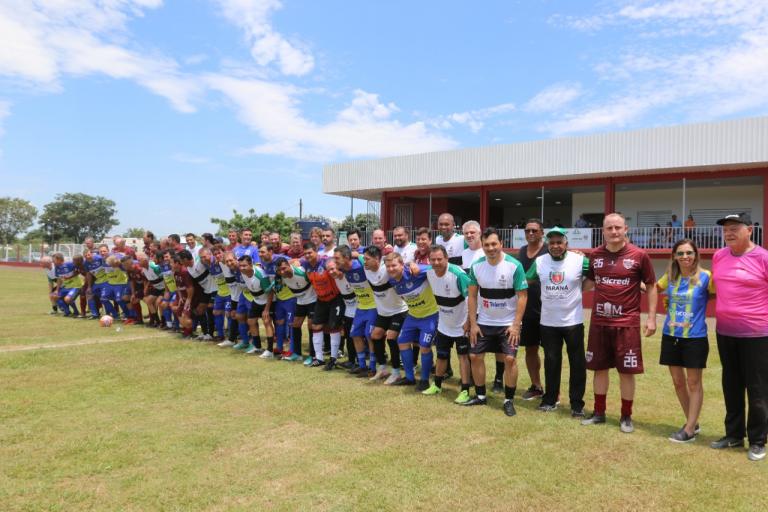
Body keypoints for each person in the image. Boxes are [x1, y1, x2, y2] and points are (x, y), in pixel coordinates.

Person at [581, 213, 657, 434]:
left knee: (626, 372)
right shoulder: (595, 255)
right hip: (599, 322)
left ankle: (626, 416)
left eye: (618, 227)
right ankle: (599, 412)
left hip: (627, 323)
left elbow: (651, 286)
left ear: (626, 229)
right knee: (599, 369)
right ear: (603, 231)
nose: (614, 232)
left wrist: (651, 318)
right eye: (609, 228)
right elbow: (589, 283)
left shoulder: (639, 255)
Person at [711, 213, 768, 461]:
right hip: (725, 332)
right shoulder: (719, 256)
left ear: (750, 230)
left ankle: (758, 440)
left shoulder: (763, 258)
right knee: (731, 384)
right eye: (726, 229)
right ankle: (733, 435)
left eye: (734, 228)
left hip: (757, 334)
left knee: (757, 387)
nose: (729, 233)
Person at [525, 227, 590, 416]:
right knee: (551, 362)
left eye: (559, 242)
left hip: (573, 322)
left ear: (566, 243)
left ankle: (576, 404)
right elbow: (525, 280)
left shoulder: (579, 260)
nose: (555, 246)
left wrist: (582, 288)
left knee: (577, 363)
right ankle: (550, 400)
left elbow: (598, 273)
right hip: (548, 322)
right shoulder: (540, 261)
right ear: (547, 244)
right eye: (552, 243)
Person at [465, 227, 528, 417]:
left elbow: (523, 296)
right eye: (486, 245)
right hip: (484, 321)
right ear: (482, 246)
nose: (491, 248)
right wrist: (473, 323)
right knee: (475, 356)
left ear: (501, 244)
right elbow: (472, 296)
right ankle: (481, 396)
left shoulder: (514, 265)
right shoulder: (476, 266)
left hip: (508, 323)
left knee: (510, 359)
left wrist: (516, 325)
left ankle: (508, 400)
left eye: (494, 244)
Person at [656, 239, 713, 443]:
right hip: (671, 335)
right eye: (680, 253)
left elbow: (720, 295)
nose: (685, 257)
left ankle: (688, 430)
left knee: (693, 382)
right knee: (678, 382)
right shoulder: (670, 276)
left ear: (696, 255)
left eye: (689, 253)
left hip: (695, 338)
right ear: (674, 256)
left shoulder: (706, 277)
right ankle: (692, 423)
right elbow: (651, 288)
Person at [423, 245, 473, 403]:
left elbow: (472, 298)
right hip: (444, 324)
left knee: (463, 357)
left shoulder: (458, 274)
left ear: (447, 258)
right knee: (442, 355)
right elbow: (413, 267)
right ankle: (437, 385)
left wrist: (469, 321)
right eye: (433, 260)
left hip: (461, 325)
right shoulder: (429, 272)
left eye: (439, 259)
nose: (436, 262)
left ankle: (465, 390)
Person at [385, 252, 439, 390]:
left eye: (394, 265)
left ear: (402, 265)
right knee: (402, 342)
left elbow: (436, 267)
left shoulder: (415, 272)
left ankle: (425, 380)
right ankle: (409, 378)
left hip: (430, 316)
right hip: (413, 316)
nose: (391, 269)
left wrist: (414, 264)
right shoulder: (392, 280)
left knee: (424, 346)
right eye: (388, 266)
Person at [364, 245, 408, 383]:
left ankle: (396, 372)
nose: (364, 261)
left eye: (367, 259)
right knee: (375, 336)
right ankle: (382, 368)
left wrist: (412, 265)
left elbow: (403, 267)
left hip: (399, 310)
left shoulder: (387, 269)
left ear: (377, 259)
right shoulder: (366, 269)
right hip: (383, 312)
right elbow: (356, 256)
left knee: (391, 338)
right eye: (364, 259)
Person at [514, 219, 547, 400]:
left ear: (542, 232)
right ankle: (536, 386)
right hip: (528, 309)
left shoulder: (549, 250)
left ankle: (553, 390)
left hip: (548, 309)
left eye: (534, 230)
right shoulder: (521, 251)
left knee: (551, 352)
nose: (531, 233)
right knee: (530, 349)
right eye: (527, 231)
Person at [335, 245, 378, 376]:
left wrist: (358, 255)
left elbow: (371, 261)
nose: (335, 261)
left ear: (346, 257)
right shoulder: (343, 269)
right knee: (354, 334)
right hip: (360, 307)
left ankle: (372, 367)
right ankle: (362, 365)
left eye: (337, 258)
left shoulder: (361, 265)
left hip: (374, 306)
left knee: (369, 336)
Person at [301, 242, 344, 370]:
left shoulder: (326, 261)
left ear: (316, 251)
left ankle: (333, 358)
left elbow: (339, 268)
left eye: (310, 253)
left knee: (334, 327)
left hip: (335, 298)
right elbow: (294, 261)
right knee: (315, 326)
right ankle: (319, 358)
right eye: (305, 254)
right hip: (320, 299)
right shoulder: (305, 264)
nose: (308, 256)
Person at [275, 258, 317, 362]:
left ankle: (313, 355)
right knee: (295, 325)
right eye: (280, 270)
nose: (282, 272)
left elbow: (315, 283)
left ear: (289, 266)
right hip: (300, 302)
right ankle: (297, 354)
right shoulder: (281, 277)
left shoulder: (302, 272)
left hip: (313, 300)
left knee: (311, 325)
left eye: (284, 268)